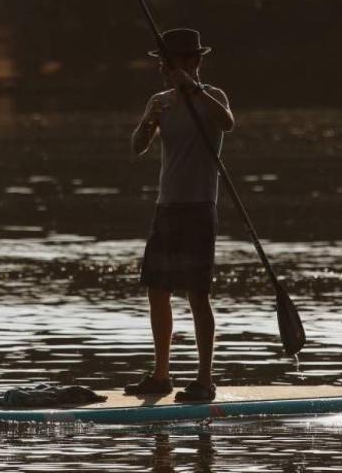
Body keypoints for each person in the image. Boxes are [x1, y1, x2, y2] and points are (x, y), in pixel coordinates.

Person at [125, 28, 235, 402]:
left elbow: (228, 123)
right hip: (166, 208)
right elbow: (138, 147)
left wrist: (194, 88)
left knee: (197, 295)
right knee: (157, 291)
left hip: (199, 208)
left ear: (193, 63)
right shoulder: (160, 101)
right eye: (162, 65)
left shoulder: (212, 97)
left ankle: (205, 381)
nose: (163, 72)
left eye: (170, 65)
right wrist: (147, 122)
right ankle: (161, 375)